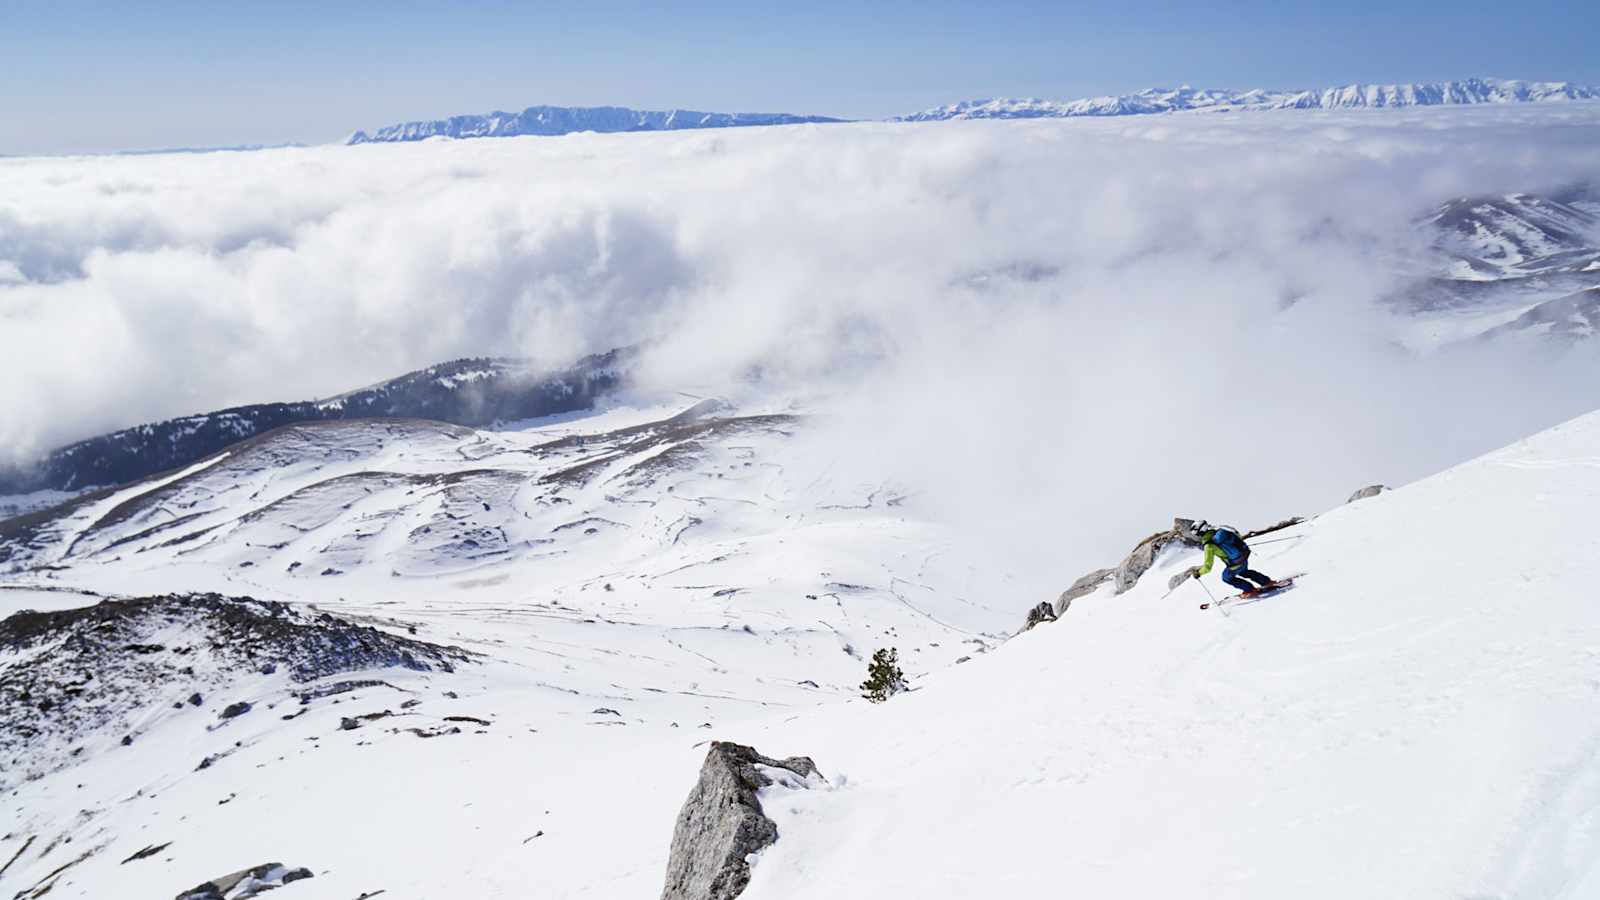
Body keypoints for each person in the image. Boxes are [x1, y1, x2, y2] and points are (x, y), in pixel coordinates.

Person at [1188, 520, 1278, 596]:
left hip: (1235, 563)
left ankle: (1249, 590)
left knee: (1226, 577)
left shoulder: (1209, 545)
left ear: (1199, 532)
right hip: (1244, 555)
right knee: (1244, 572)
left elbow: (1208, 567)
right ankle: (1267, 582)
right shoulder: (1220, 532)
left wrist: (1198, 573)